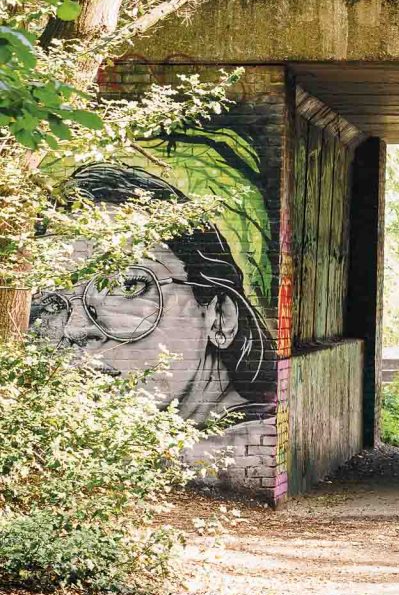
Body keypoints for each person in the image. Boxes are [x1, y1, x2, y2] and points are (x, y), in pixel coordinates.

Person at [30, 162, 276, 430]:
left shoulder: (244, 448)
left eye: (127, 286)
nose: (75, 328)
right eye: (49, 301)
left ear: (219, 318)